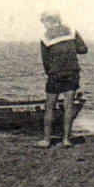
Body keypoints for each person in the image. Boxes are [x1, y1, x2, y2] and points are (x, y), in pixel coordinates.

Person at [37, 10, 86, 148]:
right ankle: (66, 139)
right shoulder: (72, 31)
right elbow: (83, 49)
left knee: (50, 107)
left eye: (43, 22)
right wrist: (69, 50)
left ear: (49, 21)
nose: (43, 25)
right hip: (71, 71)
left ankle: (46, 140)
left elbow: (45, 61)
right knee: (69, 105)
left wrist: (50, 73)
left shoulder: (46, 37)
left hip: (55, 74)